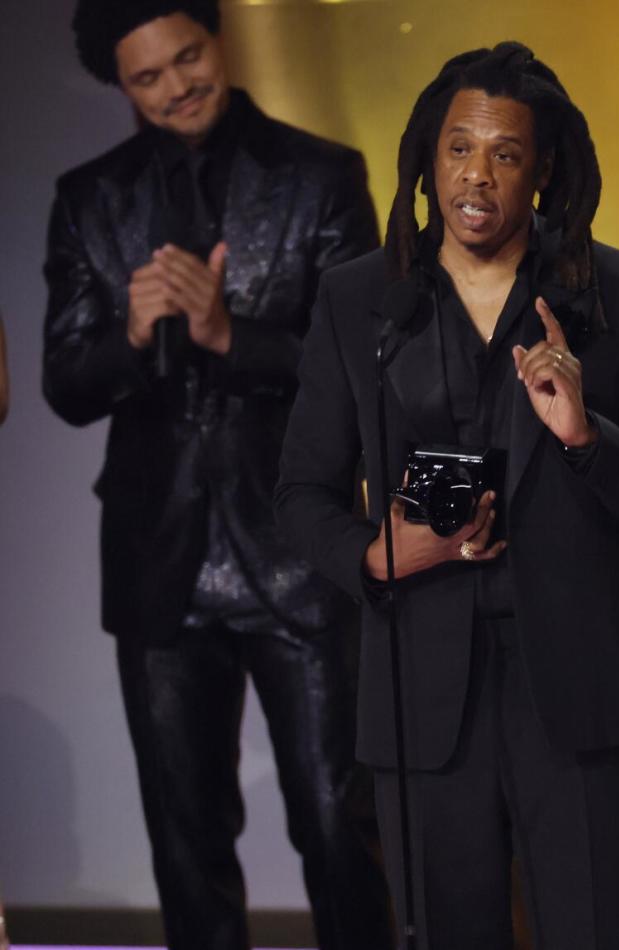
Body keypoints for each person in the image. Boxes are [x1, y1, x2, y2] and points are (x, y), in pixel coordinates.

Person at [276, 41, 619, 949]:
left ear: (543, 170)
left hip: (581, 700)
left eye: (505, 154)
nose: (478, 175)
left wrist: (589, 437)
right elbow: (301, 495)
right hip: (420, 702)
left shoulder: (615, 292)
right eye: (459, 148)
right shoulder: (362, 301)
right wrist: (374, 556)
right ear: (429, 159)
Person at [42, 3, 392, 947]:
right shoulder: (90, 199)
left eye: (186, 58)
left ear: (217, 42)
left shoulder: (320, 177)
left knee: (339, 829)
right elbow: (64, 387)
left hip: (299, 554)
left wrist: (229, 335)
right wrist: (126, 334)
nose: (174, 88)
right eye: (146, 77)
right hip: (159, 560)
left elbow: (365, 366)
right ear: (122, 85)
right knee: (186, 839)